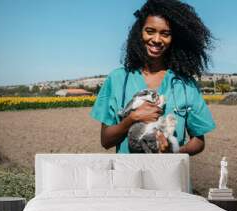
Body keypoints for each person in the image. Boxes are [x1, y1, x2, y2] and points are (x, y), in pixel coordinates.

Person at [90, 0, 216, 155]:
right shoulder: (117, 79)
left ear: (174, 38)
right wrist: (132, 118)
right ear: (139, 33)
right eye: (150, 31)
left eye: (165, 34)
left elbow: (198, 141)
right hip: (129, 176)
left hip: (171, 176)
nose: (157, 39)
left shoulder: (185, 84)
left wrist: (174, 151)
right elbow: (106, 140)